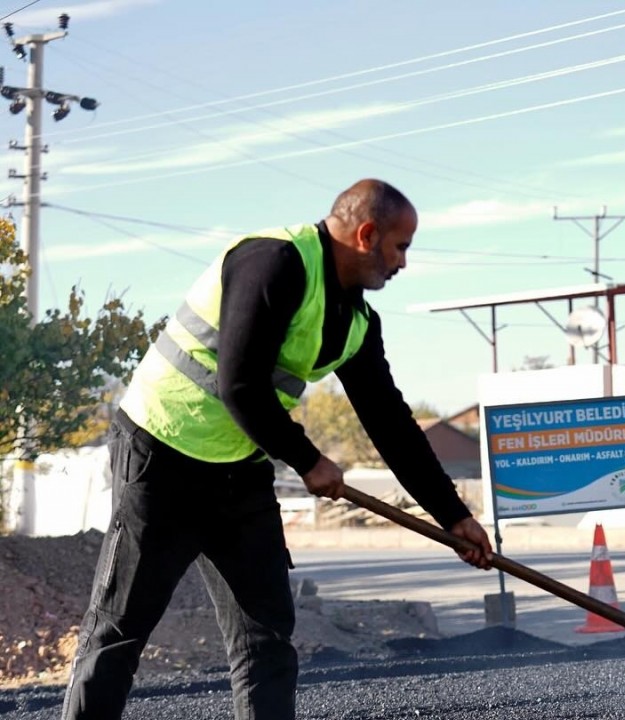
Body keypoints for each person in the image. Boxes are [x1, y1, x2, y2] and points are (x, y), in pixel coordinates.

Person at [62, 179, 494, 720]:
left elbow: (392, 426)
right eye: (400, 246)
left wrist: (453, 516)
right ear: (366, 234)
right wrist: (309, 460)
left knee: (266, 641)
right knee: (120, 630)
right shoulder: (273, 261)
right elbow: (239, 384)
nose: (403, 262)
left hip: (239, 471)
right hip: (162, 456)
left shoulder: (356, 322)